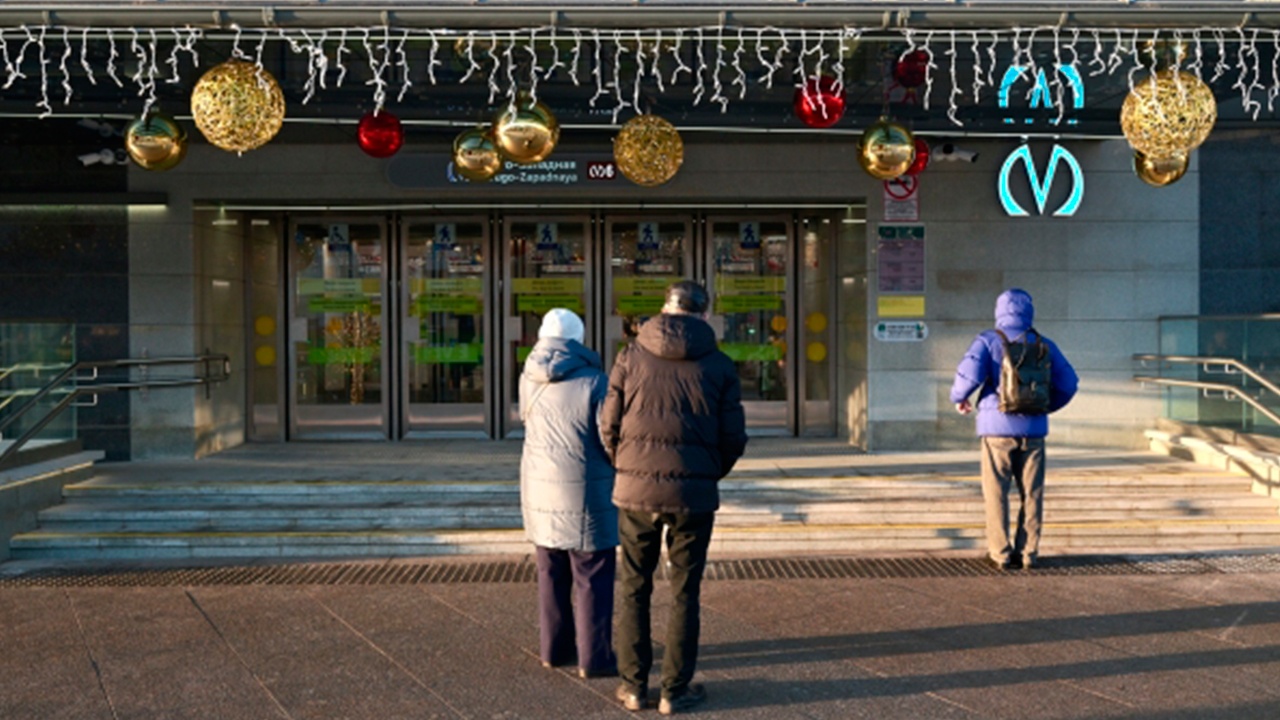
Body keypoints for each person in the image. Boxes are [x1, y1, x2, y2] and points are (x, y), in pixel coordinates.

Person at [602, 280, 748, 715]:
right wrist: (707, 472)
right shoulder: (720, 365)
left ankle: (632, 687)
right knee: (685, 591)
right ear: (705, 315)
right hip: (693, 493)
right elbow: (733, 438)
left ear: (664, 311)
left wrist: (626, 466)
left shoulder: (629, 356)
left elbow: (608, 425)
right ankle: (673, 691)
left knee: (634, 587)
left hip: (635, 491)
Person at [519, 308, 618, 679]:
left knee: (550, 571)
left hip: (539, 487)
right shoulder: (595, 381)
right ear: (579, 339)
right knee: (592, 575)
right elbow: (609, 437)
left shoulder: (528, 376)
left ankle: (554, 650)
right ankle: (595, 658)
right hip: (584, 490)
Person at [950, 288, 1079, 571]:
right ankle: (1028, 553)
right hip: (1033, 431)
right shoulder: (1044, 344)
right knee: (1032, 494)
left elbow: (968, 375)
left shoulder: (988, 340)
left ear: (999, 311)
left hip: (996, 429)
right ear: (1029, 312)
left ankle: (1000, 554)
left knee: (996, 492)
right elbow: (1069, 383)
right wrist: (1044, 407)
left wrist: (959, 398)